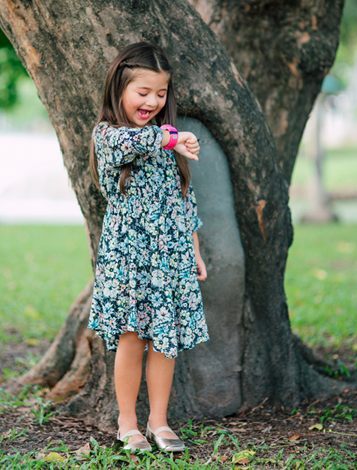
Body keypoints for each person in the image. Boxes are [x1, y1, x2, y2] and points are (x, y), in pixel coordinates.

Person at [87, 41, 210, 453]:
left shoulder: (166, 144)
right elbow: (129, 143)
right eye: (143, 92)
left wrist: (193, 249)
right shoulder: (109, 136)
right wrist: (170, 138)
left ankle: (159, 421)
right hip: (130, 255)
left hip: (171, 254)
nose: (153, 101)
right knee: (131, 337)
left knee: (165, 338)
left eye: (160, 94)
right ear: (119, 88)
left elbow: (184, 200)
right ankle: (127, 423)